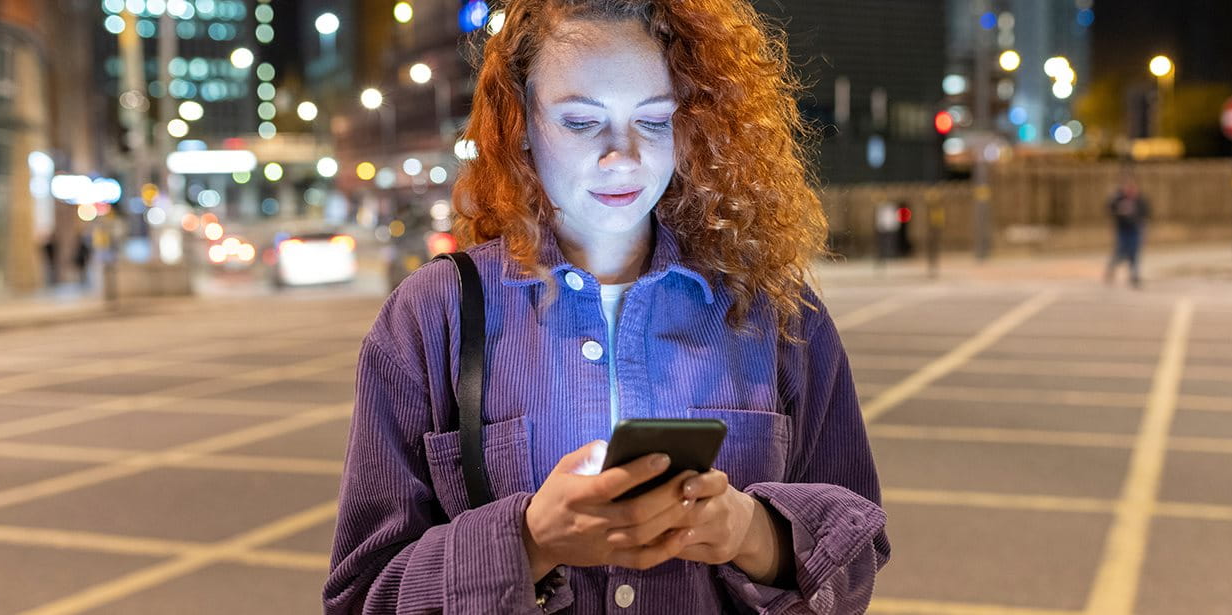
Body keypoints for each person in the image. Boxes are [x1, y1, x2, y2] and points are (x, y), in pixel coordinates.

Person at [323, 1, 889, 613]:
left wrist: (750, 531)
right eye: (581, 122)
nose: (623, 156)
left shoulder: (776, 307)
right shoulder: (434, 315)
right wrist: (530, 540)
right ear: (520, 125)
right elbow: (362, 595)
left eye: (653, 121)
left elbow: (858, 560)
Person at [1105, 175, 1151, 289]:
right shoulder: (1119, 199)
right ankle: (1112, 267)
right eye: (1128, 189)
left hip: (1135, 230)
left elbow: (1145, 215)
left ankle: (1134, 275)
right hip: (1123, 230)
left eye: (1133, 189)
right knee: (1120, 252)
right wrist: (1117, 205)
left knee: (1135, 253)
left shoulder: (1139, 200)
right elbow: (1110, 208)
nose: (1131, 191)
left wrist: (1144, 230)